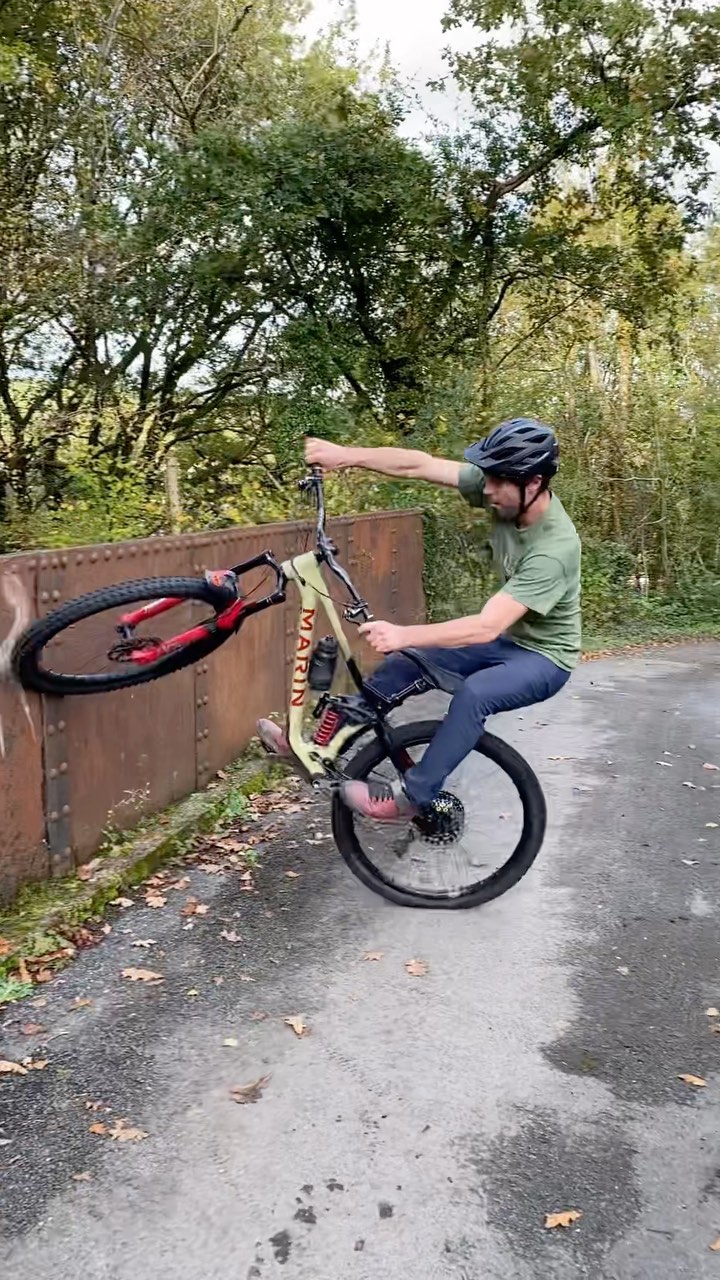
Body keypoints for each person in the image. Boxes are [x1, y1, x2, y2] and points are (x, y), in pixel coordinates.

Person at [258, 417, 581, 823]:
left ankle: (411, 797)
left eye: (498, 481)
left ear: (533, 483)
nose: (486, 489)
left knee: (476, 695)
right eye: (487, 477)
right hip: (507, 642)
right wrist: (346, 456)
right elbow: (419, 465)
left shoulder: (554, 548)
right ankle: (316, 746)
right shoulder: (504, 490)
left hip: (544, 659)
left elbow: (487, 625)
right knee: (406, 663)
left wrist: (403, 633)